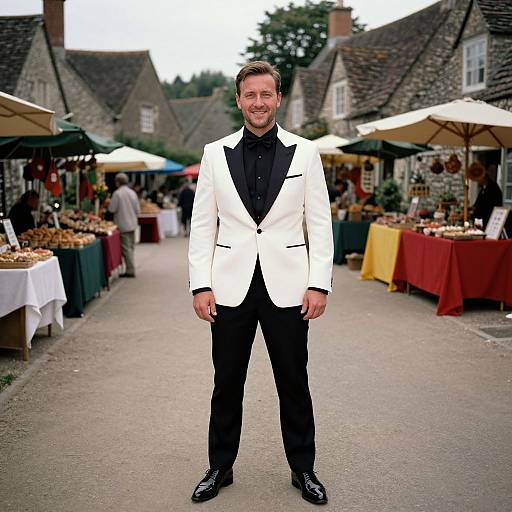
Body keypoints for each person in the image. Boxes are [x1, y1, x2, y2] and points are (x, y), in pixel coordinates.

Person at [188, 61, 333, 505]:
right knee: (226, 381)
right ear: (238, 100)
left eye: (265, 94)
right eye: (249, 95)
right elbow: (201, 226)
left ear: (278, 98)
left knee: (293, 380)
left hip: (289, 287)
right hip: (228, 286)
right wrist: (200, 285)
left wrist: (319, 284)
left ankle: (303, 469)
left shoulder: (305, 153)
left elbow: (320, 223)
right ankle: (219, 467)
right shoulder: (215, 153)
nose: (258, 102)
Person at [107, 173, 140, 277]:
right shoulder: (132, 193)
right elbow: (137, 210)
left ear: (118, 182)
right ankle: (131, 267)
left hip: (122, 224)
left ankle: (130, 270)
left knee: (126, 249)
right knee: (131, 247)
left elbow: (112, 209)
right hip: (132, 223)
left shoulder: (117, 193)